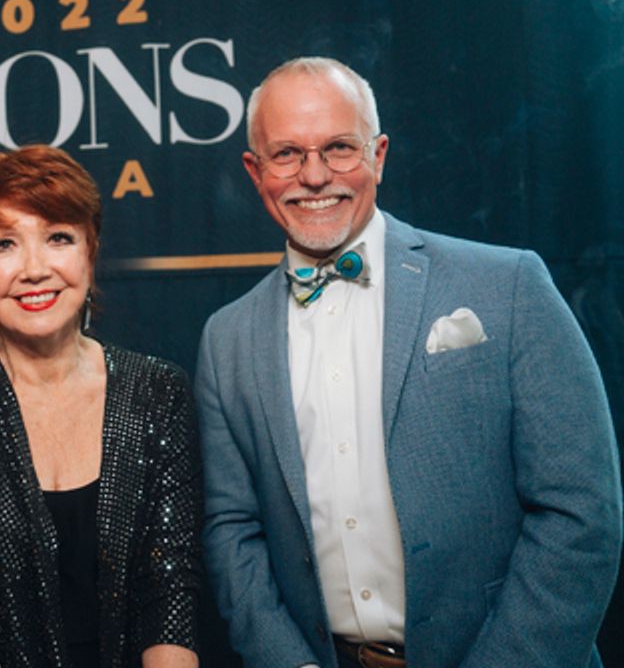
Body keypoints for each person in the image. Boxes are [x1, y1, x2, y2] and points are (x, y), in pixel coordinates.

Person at [195, 56, 622, 668]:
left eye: (339, 148)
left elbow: (581, 514)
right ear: (254, 169)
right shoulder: (227, 338)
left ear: (379, 156)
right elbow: (232, 535)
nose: (314, 176)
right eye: (287, 154)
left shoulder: (509, 285)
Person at [0, 145, 200, 668]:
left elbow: (168, 589)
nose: (34, 269)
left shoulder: (158, 391)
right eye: (4, 244)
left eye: (58, 238)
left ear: (90, 252)